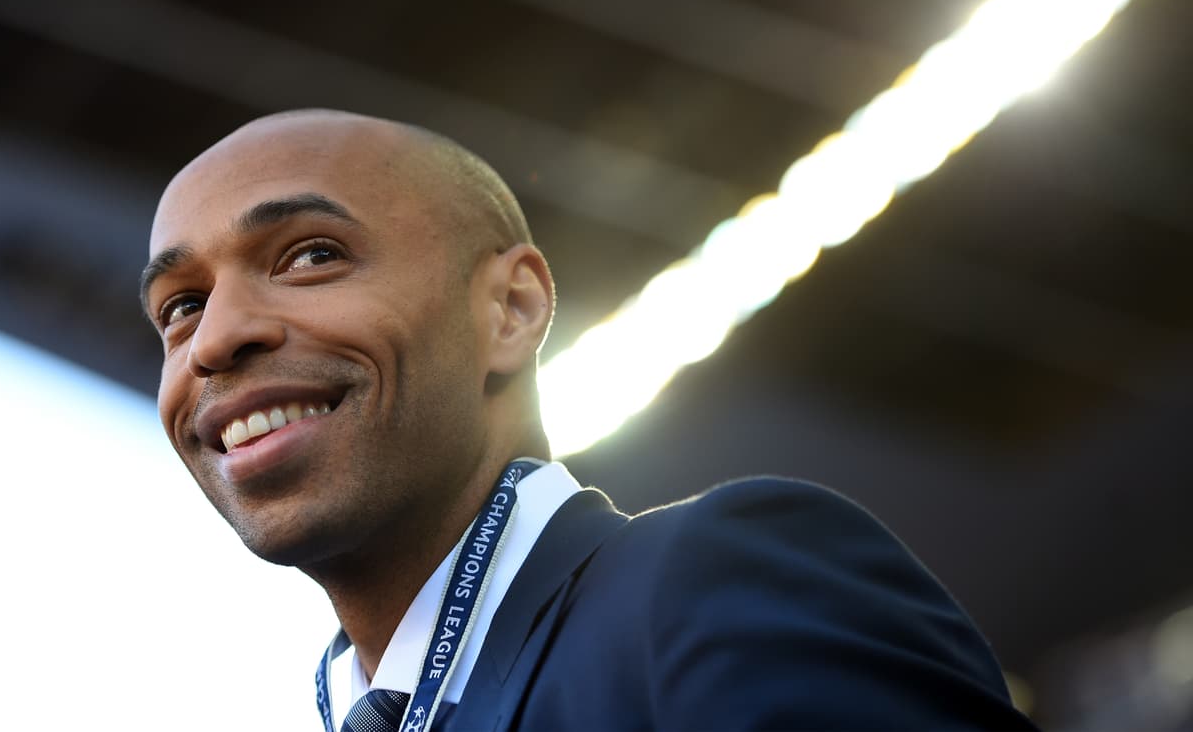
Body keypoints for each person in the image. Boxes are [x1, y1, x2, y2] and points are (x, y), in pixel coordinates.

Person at [143, 109, 1036, 731]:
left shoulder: (706, 585)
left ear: (512, 309)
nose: (214, 338)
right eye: (179, 306)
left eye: (311, 255)